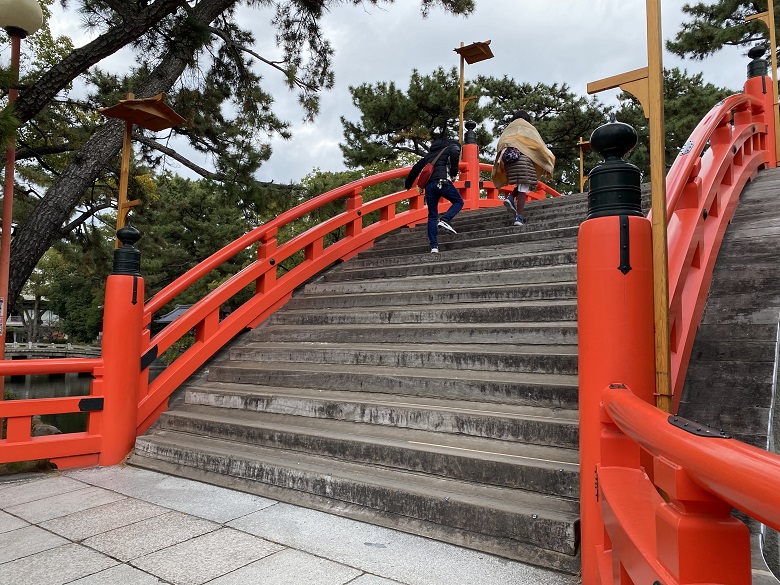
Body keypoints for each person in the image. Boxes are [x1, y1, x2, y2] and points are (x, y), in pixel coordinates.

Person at [491, 110, 555, 226]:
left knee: (522, 183)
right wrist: (548, 158)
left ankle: (510, 198)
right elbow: (538, 146)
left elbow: (501, 144)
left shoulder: (509, 129)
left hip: (509, 162)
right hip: (523, 161)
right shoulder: (528, 129)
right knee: (523, 189)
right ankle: (518, 218)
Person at [405, 135, 463, 253]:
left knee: (432, 216)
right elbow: (456, 151)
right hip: (442, 182)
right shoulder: (450, 148)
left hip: (429, 187)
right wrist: (453, 173)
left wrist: (408, 184)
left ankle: (434, 247)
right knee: (458, 201)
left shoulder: (428, 156)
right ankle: (445, 220)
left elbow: (416, 168)